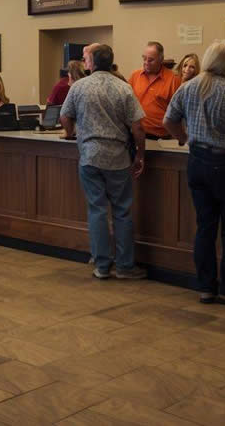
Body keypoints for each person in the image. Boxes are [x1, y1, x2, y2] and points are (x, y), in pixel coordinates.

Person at [162, 39, 225, 305]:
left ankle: (205, 287)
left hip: (197, 162)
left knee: (205, 227)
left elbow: (168, 120)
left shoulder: (189, 87)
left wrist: (184, 138)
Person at [60, 44, 147, 280]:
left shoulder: (79, 87)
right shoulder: (123, 88)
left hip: (89, 156)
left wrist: (72, 133)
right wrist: (140, 154)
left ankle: (101, 265)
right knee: (121, 211)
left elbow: (64, 116)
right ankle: (126, 266)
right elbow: (138, 127)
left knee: (97, 210)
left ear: (92, 63)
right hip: (117, 158)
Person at [127, 41, 181, 139]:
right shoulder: (135, 76)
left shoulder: (173, 79)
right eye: (144, 58)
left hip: (162, 137)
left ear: (161, 60)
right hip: (137, 134)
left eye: (151, 60)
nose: (146, 62)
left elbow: (179, 112)